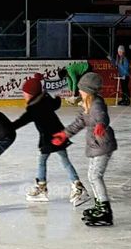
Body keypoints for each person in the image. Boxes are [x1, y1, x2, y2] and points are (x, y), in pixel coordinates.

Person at [12, 73, 90, 206]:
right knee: (64, 161)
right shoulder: (45, 100)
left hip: (49, 139)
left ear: (32, 94)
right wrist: (58, 99)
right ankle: (77, 186)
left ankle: (42, 188)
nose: (23, 95)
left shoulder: (33, 108)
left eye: (25, 93)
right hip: (60, 135)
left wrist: (8, 127)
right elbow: (55, 104)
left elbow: (21, 121)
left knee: (42, 161)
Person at [54, 72, 118, 227]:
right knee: (92, 176)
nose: (79, 92)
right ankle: (99, 205)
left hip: (102, 145)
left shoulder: (96, 104)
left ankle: (105, 210)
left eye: (81, 89)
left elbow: (103, 116)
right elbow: (78, 123)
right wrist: (64, 134)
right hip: (96, 145)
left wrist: (101, 125)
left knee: (95, 176)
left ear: (88, 91)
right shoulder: (87, 106)